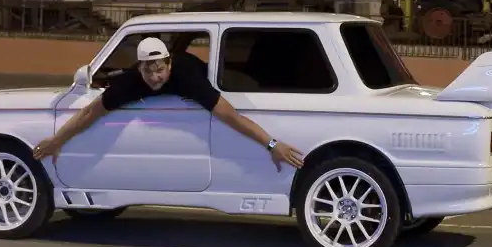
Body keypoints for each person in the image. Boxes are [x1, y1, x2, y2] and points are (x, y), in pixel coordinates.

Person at [32, 37, 304, 172]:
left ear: (169, 64)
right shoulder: (130, 83)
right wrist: (57, 141)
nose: (154, 77)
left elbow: (232, 117)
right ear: (139, 68)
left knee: (251, 81)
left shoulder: (188, 78)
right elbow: (89, 113)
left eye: (160, 70)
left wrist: (272, 145)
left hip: (214, 74)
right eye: (148, 71)